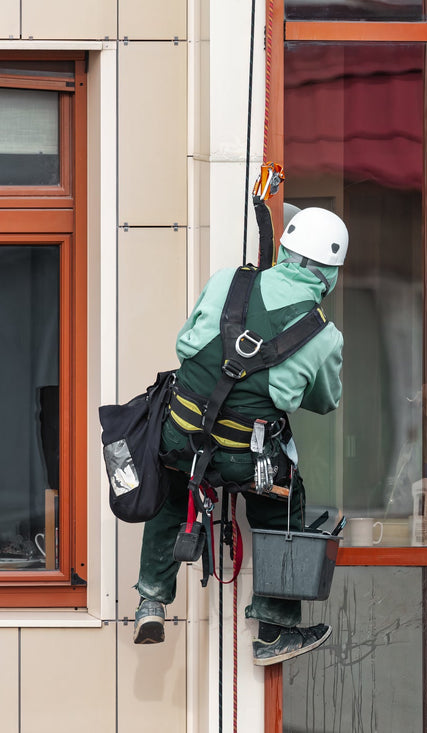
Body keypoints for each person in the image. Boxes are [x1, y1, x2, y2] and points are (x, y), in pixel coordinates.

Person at [133, 206, 348, 665]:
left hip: (181, 434)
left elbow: (186, 341)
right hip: (246, 459)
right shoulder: (323, 334)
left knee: (174, 484)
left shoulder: (228, 280)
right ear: (330, 273)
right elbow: (324, 402)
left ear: (285, 249)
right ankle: (274, 628)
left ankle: (151, 598)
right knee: (283, 501)